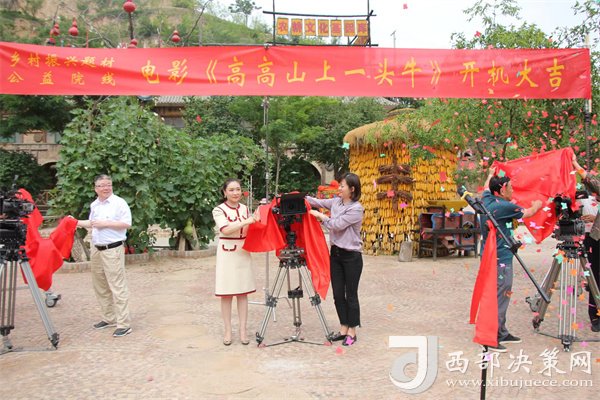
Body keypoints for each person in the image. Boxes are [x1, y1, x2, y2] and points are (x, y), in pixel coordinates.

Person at [480, 168, 542, 352]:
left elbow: (486, 188)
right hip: (501, 259)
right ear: (502, 189)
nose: (513, 191)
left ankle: (501, 331)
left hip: (491, 256)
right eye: (511, 188)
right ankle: (491, 336)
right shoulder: (504, 207)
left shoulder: (487, 200)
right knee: (499, 297)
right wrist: (539, 203)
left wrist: (490, 174)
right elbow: (529, 213)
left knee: (501, 295)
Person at [306, 172, 364, 346]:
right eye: (339, 185)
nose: (339, 188)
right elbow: (317, 202)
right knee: (338, 294)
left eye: (342, 186)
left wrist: (321, 216)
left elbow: (336, 225)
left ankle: (352, 331)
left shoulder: (356, 209)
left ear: (352, 189)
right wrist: (299, 197)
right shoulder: (336, 202)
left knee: (351, 294)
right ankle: (343, 327)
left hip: (352, 256)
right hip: (336, 254)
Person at [77, 174, 132, 337]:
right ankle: (109, 318)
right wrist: (75, 222)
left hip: (112, 249)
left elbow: (127, 223)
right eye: (102, 185)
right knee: (100, 285)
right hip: (97, 249)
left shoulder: (119, 203)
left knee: (117, 286)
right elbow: (93, 224)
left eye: (109, 184)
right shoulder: (95, 205)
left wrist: (106, 223)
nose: (106, 188)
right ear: (96, 188)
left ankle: (124, 324)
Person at [212, 178, 260, 346]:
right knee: (226, 293)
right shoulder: (219, 210)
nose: (235, 193)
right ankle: (227, 330)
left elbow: (250, 228)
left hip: (243, 251)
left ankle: (243, 330)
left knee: (242, 292)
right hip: (227, 252)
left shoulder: (244, 208)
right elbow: (226, 229)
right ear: (224, 192)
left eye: (238, 189)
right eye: (231, 190)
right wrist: (247, 221)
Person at [573, 156, 600, 332]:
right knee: (595, 278)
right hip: (596, 239)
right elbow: (593, 183)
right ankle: (596, 316)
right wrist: (575, 165)